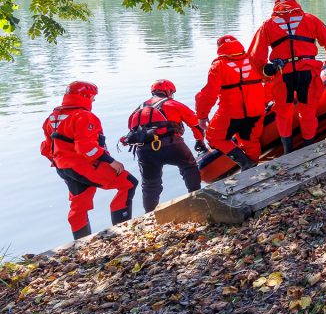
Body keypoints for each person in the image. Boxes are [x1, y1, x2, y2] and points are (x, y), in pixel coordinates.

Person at [40, 81, 138, 239]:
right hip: (84, 165)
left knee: (79, 205)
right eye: (92, 97)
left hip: (63, 167)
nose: (93, 100)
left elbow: (46, 147)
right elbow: (86, 148)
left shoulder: (53, 117)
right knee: (128, 183)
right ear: (84, 96)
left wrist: (61, 162)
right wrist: (111, 161)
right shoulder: (84, 116)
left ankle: (81, 242)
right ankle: (123, 231)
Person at [249, 0, 326, 154]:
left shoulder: (268, 25)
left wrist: (265, 74)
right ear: (295, 4)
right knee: (308, 111)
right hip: (307, 71)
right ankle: (308, 148)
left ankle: (288, 151)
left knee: (283, 113)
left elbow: (255, 57)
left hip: (283, 74)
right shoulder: (310, 19)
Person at [122, 80, 204, 213]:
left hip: (145, 151)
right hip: (172, 145)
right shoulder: (173, 104)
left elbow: (133, 131)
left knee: (150, 185)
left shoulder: (137, 110)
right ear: (169, 92)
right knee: (189, 166)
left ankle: (150, 214)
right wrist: (199, 141)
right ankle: (196, 196)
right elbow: (195, 125)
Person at [196, 35, 266, 170]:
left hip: (231, 112)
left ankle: (246, 164)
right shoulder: (254, 59)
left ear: (219, 48)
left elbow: (207, 95)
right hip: (256, 109)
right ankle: (253, 168)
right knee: (250, 140)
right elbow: (269, 79)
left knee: (214, 137)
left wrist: (202, 116)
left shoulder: (218, 65)